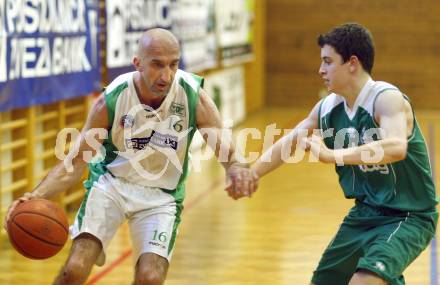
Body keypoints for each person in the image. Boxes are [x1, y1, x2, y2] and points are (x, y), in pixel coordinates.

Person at [4, 28, 257, 285]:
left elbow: (227, 149)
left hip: (162, 195)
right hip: (111, 185)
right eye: (157, 65)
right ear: (138, 63)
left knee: (150, 277)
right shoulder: (111, 100)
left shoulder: (192, 95)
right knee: (75, 270)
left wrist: (236, 168)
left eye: (173, 64)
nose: (167, 75)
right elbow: (76, 161)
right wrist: (37, 195)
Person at [250, 23, 438, 285]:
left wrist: (332, 155)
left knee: (366, 280)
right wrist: (251, 173)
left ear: (352, 63)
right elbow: (291, 141)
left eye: (328, 62)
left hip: (408, 214)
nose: (321, 70)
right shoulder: (327, 107)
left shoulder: (386, 99)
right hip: (365, 212)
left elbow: (395, 147)